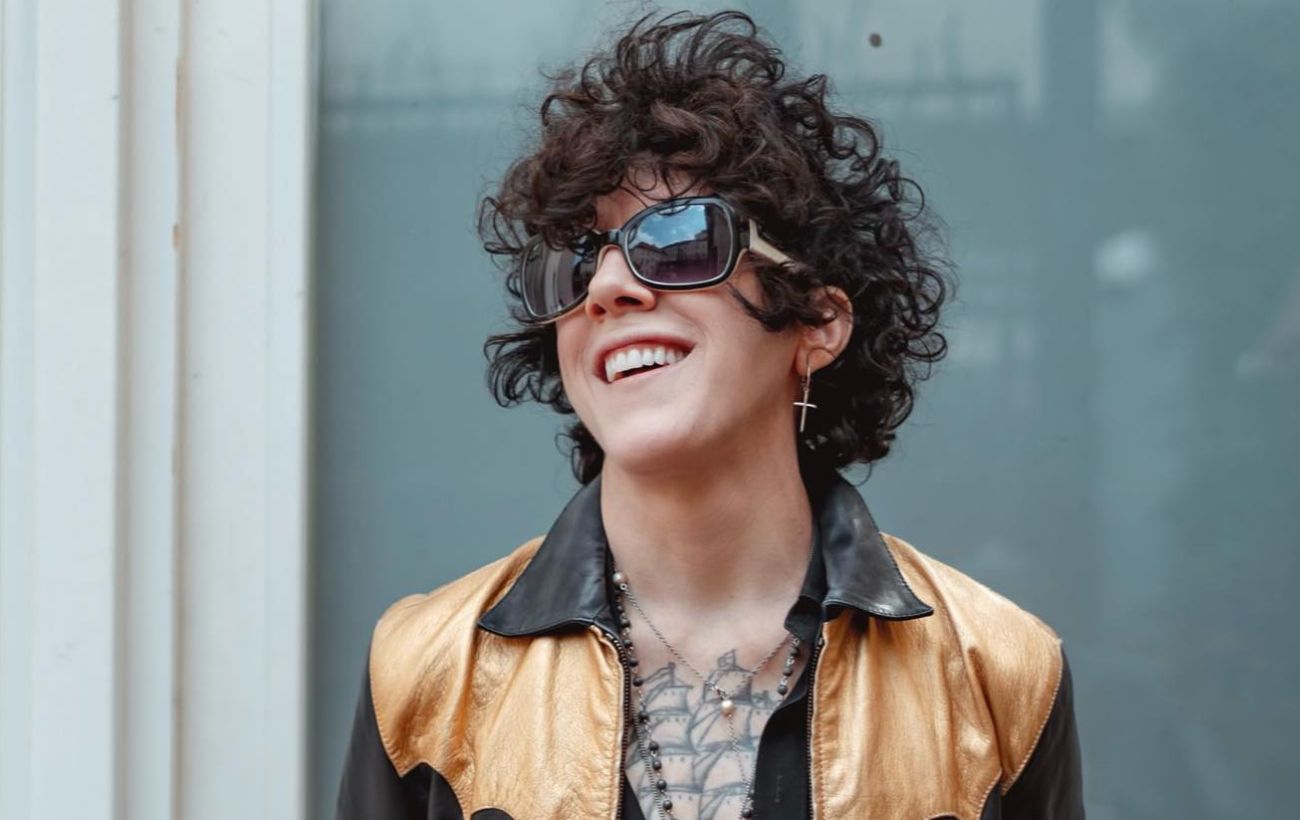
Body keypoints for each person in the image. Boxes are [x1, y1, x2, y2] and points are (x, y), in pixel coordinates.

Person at [334, 9, 1084, 820]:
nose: (606, 289)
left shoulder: (999, 673)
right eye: (573, 265)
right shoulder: (425, 673)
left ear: (817, 320)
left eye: (679, 238)